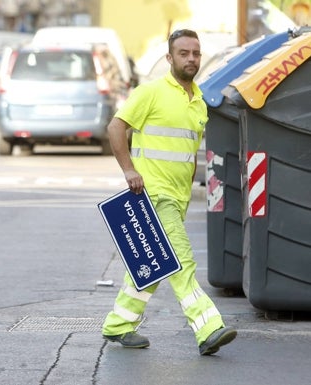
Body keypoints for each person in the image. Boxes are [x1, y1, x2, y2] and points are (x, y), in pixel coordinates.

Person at [101, 29, 237, 356]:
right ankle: (207, 328)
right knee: (180, 262)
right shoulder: (151, 92)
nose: (191, 59)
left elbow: (188, 153)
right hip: (153, 195)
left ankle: (119, 324)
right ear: (170, 58)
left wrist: (190, 188)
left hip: (178, 198)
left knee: (153, 264)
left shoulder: (199, 102)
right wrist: (129, 170)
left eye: (195, 53)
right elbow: (116, 127)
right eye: (184, 53)